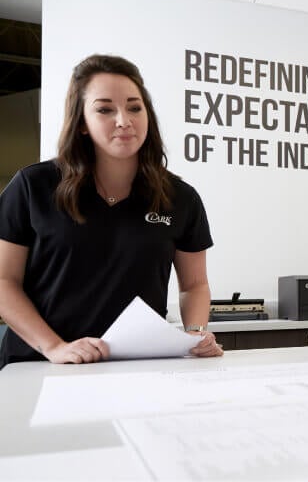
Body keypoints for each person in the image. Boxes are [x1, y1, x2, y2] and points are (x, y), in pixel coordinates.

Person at [0, 54, 223, 369]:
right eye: (105, 109)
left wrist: (195, 332)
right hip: (40, 363)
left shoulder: (181, 198)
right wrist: (54, 347)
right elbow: (4, 281)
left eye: (134, 107)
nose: (124, 120)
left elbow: (194, 284)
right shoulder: (32, 186)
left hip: (136, 367)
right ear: (81, 124)